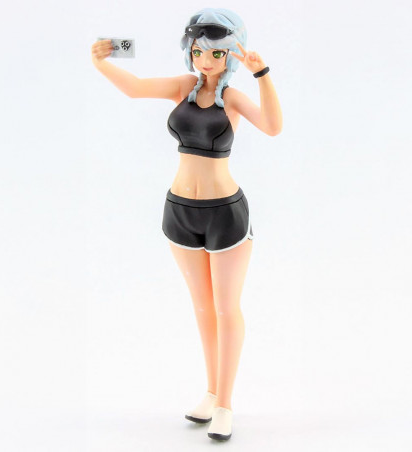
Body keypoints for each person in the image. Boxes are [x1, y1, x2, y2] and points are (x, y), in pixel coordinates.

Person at [91, 7, 282, 441]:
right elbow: (136, 88)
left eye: (215, 53)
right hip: (179, 211)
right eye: (197, 51)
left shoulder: (232, 98)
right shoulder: (182, 87)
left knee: (226, 308)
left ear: (229, 54)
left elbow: (273, 126)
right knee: (202, 308)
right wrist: (102, 61)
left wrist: (262, 74)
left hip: (225, 215)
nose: (204, 60)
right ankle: (211, 393)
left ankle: (226, 404)